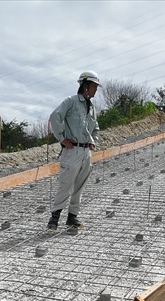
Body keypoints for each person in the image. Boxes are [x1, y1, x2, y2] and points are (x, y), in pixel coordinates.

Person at [47, 71, 101, 230]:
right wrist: (61, 138)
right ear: (85, 86)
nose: (96, 90)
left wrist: (93, 142)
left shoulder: (92, 108)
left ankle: (72, 217)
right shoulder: (71, 101)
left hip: (86, 152)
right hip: (72, 151)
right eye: (94, 86)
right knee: (66, 183)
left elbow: (96, 128)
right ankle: (55, 217)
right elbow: (54, 117)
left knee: (80, 185)